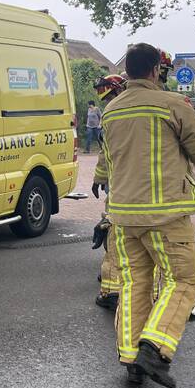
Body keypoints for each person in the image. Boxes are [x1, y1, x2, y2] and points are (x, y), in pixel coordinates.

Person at [97, 43, 195, 388]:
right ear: (153, 71)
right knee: (183, 280)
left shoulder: (111, 111)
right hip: (165, 215)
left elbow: (109, 160)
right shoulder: (173, 105)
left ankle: (132, 360)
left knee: (135, 284)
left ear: (128, 71)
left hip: (122, 218)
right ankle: (155, 349)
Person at [89, 74, 128, 310]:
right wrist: (99, 179)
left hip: (125, 183)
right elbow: (105, 151)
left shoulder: (120, 113)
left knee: (116, 231)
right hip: (119, 181)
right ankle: (114, 278)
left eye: (111, 95)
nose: (109, 101)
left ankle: (114, 284)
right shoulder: (113, 114)